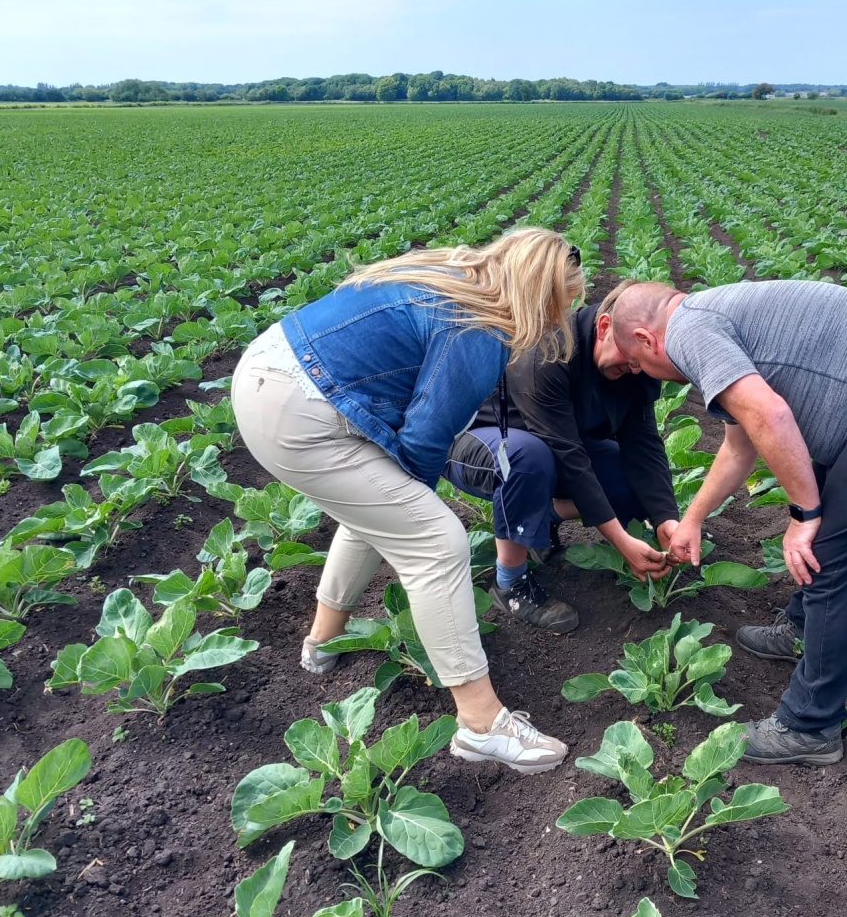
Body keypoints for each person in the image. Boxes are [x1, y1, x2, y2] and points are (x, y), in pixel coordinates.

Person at [230, 227, 584, 775]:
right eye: (560, 304)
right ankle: (481, 724)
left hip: (267, 375)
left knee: (383, 509)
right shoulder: (478, 326)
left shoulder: (446, 273)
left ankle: (322, 642)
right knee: (437, 542)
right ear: (539, 294)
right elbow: (424, 438)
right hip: (300, 413)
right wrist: (419, 501)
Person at [608, 278, 847, 766]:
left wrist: (803, 513)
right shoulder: (713, 318)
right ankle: (803, 630)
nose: (641, 372)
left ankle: (810, 726)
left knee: (832, 558)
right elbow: (739, 446)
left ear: (644, 338)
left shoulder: (689, 331)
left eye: (637, 363)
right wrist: (692, 520)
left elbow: (772, 417)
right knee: (829, 532)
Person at [442, 282, 680, 633]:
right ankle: (510, 582)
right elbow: (568, 455)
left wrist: (667, 520)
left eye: (642, 366)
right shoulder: (550, 349)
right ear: (604, 328)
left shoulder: (635, 364)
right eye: (630, 362)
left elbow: (643, 444)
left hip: (550, 446)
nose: (633, 371)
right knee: (527, 455)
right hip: (477, 440)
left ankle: (543, 517)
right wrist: (620, 540)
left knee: (624, 473)